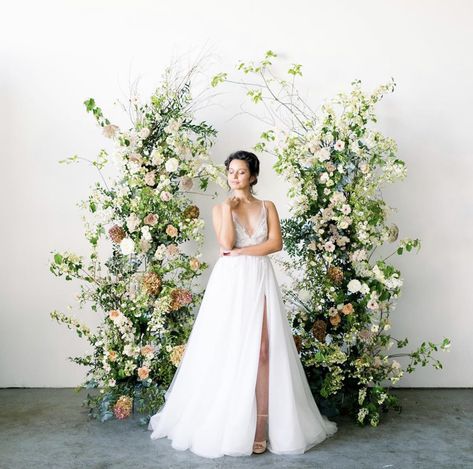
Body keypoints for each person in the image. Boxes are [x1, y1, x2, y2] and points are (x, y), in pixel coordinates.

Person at [148, 150, 337, 458]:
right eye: (231, 172)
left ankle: (262, 425)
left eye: (241, 172)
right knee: (231, 348)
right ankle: (235, 423)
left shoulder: (267, 206)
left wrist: (244, 253)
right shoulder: (221, 208)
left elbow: (276, 243)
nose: (235, 176)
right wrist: (229, 209)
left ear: (253, 176)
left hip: (259, 279)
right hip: (231, 283)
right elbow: (225, 244)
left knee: (264, 351)